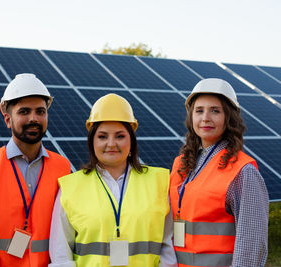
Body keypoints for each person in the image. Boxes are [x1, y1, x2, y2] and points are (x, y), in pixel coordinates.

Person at [49, 93, 178, 267]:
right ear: (92, 141)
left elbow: (169, 248)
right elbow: (60, 256)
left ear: (131, 140)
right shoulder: (70, 187)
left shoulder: (160, 181)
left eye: (120, 136)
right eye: (102, 136)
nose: (111, 144)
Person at [0, 73, 71, 267]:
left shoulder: (63, 168)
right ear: (7, 119)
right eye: (24, 112)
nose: (34, 119)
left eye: (40, 111)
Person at [169, 78, 269, 267]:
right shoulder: (180, 164)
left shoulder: (243, 171)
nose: (205, 117)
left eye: (215, 110)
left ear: (228, 118)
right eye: (199, 111)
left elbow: (251, 246)